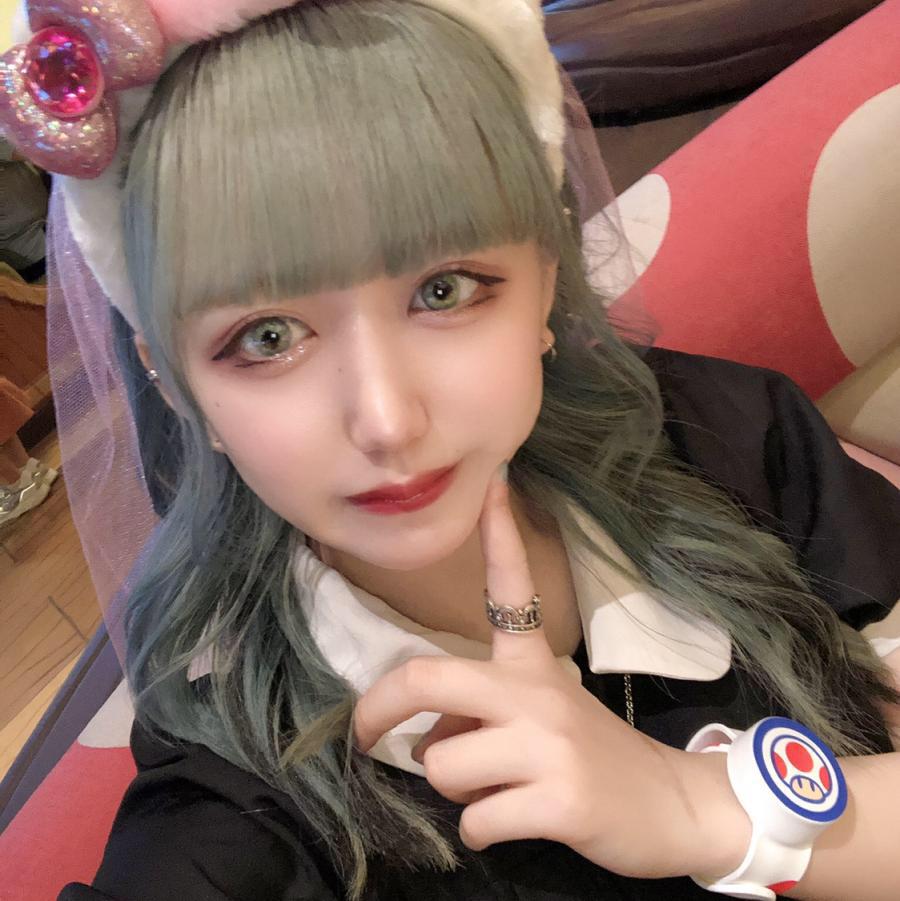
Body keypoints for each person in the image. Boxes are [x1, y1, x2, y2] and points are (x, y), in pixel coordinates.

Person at [3, 2, 899, 899]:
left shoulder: (727, 435)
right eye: (268, 337)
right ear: (173, 383)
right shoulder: (235, 800)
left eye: (445, 289)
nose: (387, 419)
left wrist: (702, 806)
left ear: (546, 272)